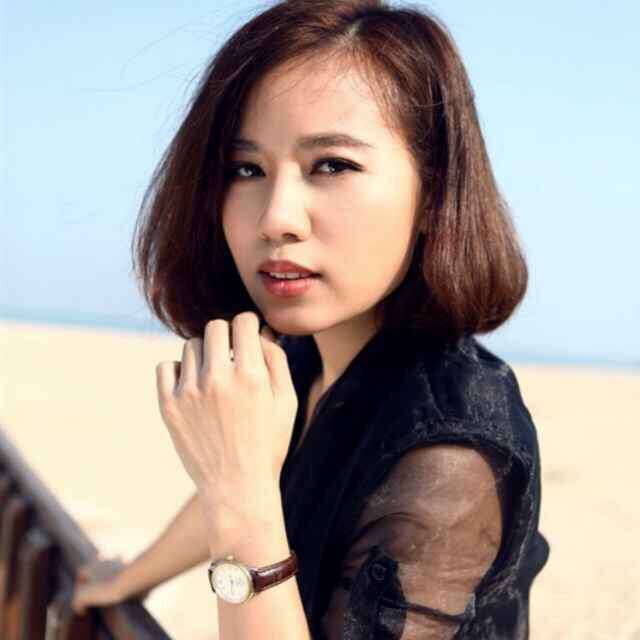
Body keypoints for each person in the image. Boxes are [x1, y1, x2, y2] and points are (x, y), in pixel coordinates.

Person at [72, 0, 550, 637]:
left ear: (434, 191)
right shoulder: (306, 356)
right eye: (246, 170)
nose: (275, 218)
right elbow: (274, 474)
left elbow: (252, 489)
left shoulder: (450, 456)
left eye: (332, 165)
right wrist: (129, 578)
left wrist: (238, 496)